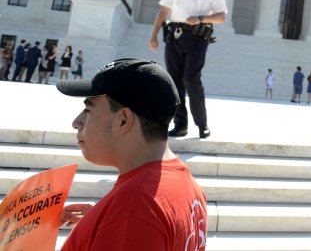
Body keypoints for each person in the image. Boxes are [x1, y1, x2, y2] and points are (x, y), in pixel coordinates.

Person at [56, 58, 207, 250]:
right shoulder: (187, 184)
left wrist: (122, 224)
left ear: (123, 121)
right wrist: (104, 226)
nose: (76, 122)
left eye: (88, 110)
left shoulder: (134, 210)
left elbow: (140, 219)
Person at [149, 0, 227, 139]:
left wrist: (201, 18)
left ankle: (202, 124)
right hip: (174, 37)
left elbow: (221, 17)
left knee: (192, 80)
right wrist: (154, 35)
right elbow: (163, 11)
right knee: (174, 83)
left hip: (197, 39)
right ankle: (180, 125)